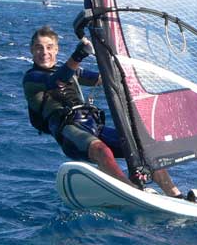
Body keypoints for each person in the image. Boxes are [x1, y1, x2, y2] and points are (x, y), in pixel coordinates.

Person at [22, 25, 183, 197]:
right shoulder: (32, 78)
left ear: (56, 49)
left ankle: (175, 194)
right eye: (39, 47)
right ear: (32, 50)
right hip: (68, 131)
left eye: (49, 47)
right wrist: (79, 54)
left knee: (143, 148)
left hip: (91, 125)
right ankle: (134, 192)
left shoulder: (73, 72)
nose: (44, 52)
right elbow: (56, 80)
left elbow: (105, 78)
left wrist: (130, 67)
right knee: (102, 151)